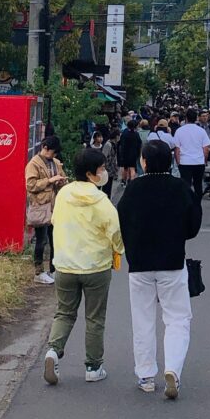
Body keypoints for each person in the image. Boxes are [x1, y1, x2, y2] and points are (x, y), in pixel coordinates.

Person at [117, 140, 202, 400]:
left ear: (143, 161)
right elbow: (193, 227)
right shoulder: (180, 188)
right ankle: (172, 370)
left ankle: (145, 375)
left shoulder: (133, 190)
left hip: (139, 265)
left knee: (142, 319)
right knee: (177, 318)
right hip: (172, 263)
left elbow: (121, 221)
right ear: (171, 161)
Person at [43, 148, 124, 386]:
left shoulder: (64, 194)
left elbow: (55, 221)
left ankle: (53, 352)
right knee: (94, 318)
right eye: (101, 169)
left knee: (64, 313)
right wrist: (118, 250)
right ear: (91, 174)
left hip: (65, 265)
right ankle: (93, 366)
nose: (104, 172)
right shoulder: (102, 201)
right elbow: (115, 231)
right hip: (96, 266)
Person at [25, 136, 66, 285]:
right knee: (41, 240)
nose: (53, 156)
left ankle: (53, 270)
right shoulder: (33, 164)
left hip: (55, 206)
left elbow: (61, 179)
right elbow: (30, 185)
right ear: (45, 147)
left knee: (55, 239)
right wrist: (49, 181)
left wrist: (61, 181)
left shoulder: (55, 162)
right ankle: (39, 271)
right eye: (52, 152)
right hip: (41, 206)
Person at [173, 107, 210, 201]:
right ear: (196, 118)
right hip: (199, 161)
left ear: (186, 118)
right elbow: (206, 148)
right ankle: (197, 203)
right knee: (198, 184)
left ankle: (186, 202)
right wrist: (205, 160)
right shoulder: (201, 131)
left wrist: (178, 162)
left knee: (186, 185)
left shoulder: (179, 131)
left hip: (184, 162)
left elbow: (177, 149)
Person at [119, 119, 142, 185]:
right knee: (132, 169)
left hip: (125, 153)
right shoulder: (136, 134)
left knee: (125, 168)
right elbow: (139, 144)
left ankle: (123, 181)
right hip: (133, 154)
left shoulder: (124, 133)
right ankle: (132, 183)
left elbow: (121, 143)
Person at [101, 130, 119, 198]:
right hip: (107, 168)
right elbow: (104, 156)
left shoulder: (113, 144)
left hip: (111, 168)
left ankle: (108, 198)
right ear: (116, 136)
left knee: (109, 185)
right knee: (106, 186)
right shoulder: (108, 144)